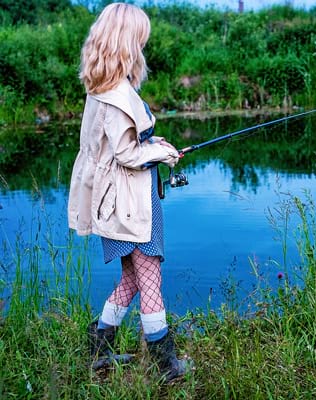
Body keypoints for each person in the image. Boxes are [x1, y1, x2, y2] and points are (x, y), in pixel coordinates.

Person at [67, 3, 191, 383]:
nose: (143, 46)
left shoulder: (98, 88)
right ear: (127, 42)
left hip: (111, 201)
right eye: (140, 39)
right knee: (149, 274)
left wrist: (157, 146)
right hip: (130, 202)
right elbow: (127, 154)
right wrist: (162, 154)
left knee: (133, 278)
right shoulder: (119, 95)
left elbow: (119, 146)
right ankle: (165, 363)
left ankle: (99, 347)